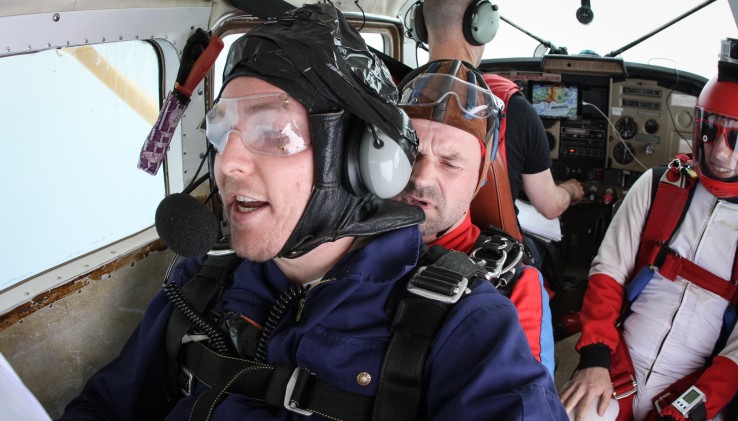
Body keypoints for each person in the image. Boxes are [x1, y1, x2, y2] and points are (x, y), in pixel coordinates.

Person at [59, 4, 567, 420]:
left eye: (273, 132)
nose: (228, 163)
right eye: (221, 132)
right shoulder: (200, 281)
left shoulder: (466, 328)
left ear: (363, 161)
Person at [559, 48, 738, 421]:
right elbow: (608, 272)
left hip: (691, 385)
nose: (721, 154)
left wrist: (688, 411)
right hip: (618, 363)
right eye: (711, 132)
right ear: (698, 127)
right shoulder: (658, 185)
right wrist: (594, 359)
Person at [395, 59, 555, 376]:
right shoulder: (333, 242)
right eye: (411, 152)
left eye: (451, 163)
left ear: (480, 178)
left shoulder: (514, 287)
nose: (422, 177)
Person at [413, 0, 584, 220]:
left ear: (420, 24)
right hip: (491, 248)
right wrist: (570, 189)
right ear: (483, 24)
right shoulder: (511, 106)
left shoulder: (394, 94)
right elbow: (550, 207)